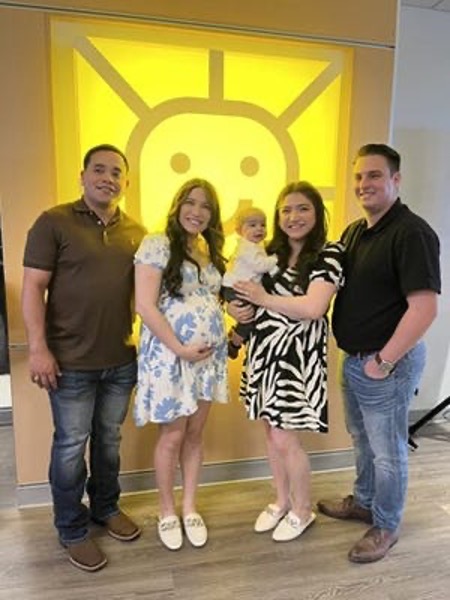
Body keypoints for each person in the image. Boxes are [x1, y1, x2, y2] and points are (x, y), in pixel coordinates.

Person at [21, 144, 146, 572]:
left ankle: (105, 508)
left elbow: (147, 296)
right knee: (71, 446)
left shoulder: (137, 233)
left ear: (126, 182)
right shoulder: (53, 222)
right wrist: (38, 349)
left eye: (116, 172)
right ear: (83, 175)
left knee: (108, 441)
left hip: (121, 362)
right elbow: (33, 288)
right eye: (99, 169)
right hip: (69, 363)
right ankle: (72, 528)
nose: (107, 178)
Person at [317, 143, 441, 563]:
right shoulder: (356, 232)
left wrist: (383, 362)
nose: (363, 184)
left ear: (395, 179)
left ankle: (386, 525)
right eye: (358, 176)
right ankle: (365, 501)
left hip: (386, 365)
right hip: (355, 360)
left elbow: (424, 309)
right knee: (362, 439)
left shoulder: (412, 233)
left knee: (388, 451)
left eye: (374, 175)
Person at [233, 181, 344, 543]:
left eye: (302, 208)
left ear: (317, 213)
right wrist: (235, 306)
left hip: (297, 360)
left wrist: (263, 298)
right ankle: (281, 500)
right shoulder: (269, 253)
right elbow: (241, 288)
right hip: (264, 353)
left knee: (285, 437)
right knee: (271, 432)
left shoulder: (330, 253)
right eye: (286, 210)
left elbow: (313, 307)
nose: (293, 217)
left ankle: (302, 509)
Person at [134, 178, 229, 551]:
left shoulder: (207, 250)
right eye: (191, 202)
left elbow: (212, 300)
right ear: (177, 205)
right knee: (172, 436)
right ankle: (166, 511)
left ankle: (190, 507)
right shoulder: (157, 244)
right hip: (170, 357)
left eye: (206, 206)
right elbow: (145, 306)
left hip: (205, 361)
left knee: (194, 434)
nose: (197, 212)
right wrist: (180, 348)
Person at [222, 206, 277, 359]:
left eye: (263, 225)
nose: (259, 229)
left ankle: (235, 334)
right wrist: (275, 260)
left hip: (241, 288)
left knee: (249, 316)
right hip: (236, 289)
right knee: (248, 319)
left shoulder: (256, 246)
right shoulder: (247, 247)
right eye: (252, 225)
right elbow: (260, 266)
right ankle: (233, 345)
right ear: (239, 230)